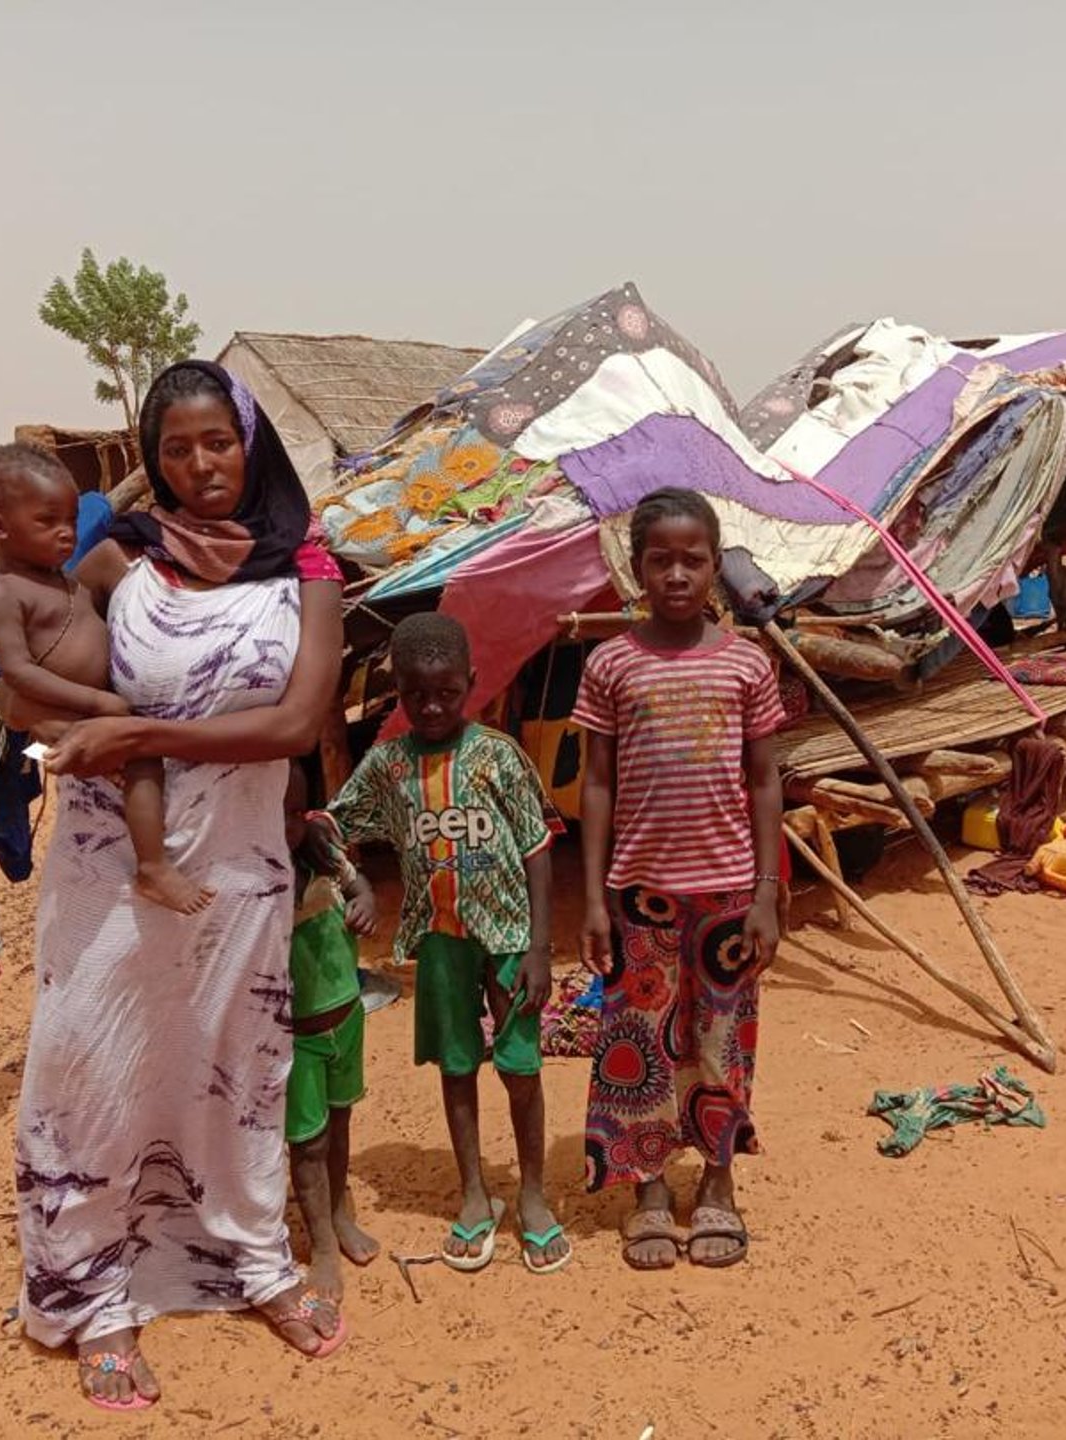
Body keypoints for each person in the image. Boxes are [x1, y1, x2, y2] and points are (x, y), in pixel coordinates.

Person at [19, 360, 348, 1412]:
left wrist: (143, 730)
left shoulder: (309, 571)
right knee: (95, 1065)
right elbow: (33, 660)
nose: (201, 465)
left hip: (241, 867)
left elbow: (296, 726)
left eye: (218, 442)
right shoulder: (118, 560)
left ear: (250, 446)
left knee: (235, 1068)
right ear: (149, 461)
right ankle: (91, 1294)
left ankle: (250, 1261)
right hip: (110, 867)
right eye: (175, 448)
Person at [315, 613, 571, 1275]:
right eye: (416, 694)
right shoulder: (390, 765)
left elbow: (538, 851)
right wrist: (356, 886)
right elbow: (330, 827)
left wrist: (541, 948)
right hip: (439, 941)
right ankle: (474, 1195)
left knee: (520, 1067)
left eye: (447, 692)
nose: (432, 707)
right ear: (394, 691)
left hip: (511, 937)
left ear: (472, 685)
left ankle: (534, 1195)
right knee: (458, 1066)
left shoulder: (498, 757)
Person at [573, 486, 784, 1271]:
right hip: (641, 894)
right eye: (659, 560)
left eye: (693, 560)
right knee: (639, 1042)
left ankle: (718, 1183)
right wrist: (592, 897)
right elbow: (596, 783)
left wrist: (767, 893)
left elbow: (765, 781)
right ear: (636, 569)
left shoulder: (745, 664)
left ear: (715, 566)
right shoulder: (609, 664)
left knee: (721, 1041)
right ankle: (650, 1187)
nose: (676, 574)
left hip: (728, 891)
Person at [0, 443, 212, 915]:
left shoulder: (68, 577)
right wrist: (97, 703)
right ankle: (153, 866)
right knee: (139, 759)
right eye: (48, 522)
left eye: (71, 521)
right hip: (59, 724)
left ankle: (148, 857)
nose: (66, 534)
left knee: (139, 761)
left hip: (90, 713)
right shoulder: (4, 593)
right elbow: (17, 671)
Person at [282, 758, 382, 1300]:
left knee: (340, 1123)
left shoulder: (321, 847)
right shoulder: (258, 877)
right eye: (273, 813)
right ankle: (320, 1242)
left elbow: (360, 884)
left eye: (294, 812)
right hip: (296, 1035)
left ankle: (340, 1211)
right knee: (308, 1141)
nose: (286, 826)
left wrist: (365, 900)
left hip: (346, 1016)